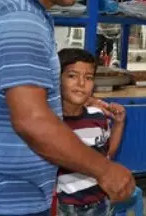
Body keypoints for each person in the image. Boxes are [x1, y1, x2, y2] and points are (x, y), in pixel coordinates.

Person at [0, 0, 135, 216]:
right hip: (9, 199)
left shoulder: (8, 8)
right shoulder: (21, 19)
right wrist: (103, 169)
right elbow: (31, 120)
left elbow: (9, 99)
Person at [56, 48, 126, 216]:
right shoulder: (53, 124)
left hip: (102, 202)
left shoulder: (98, 116)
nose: (81, 83)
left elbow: (107, 154)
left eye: (88, 78)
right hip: (66, 207)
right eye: (72, 76)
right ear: (57, 79)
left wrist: (118, 124)